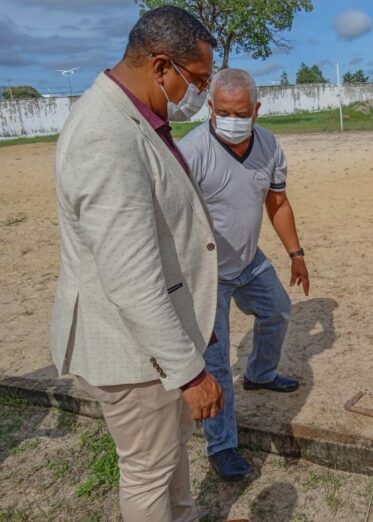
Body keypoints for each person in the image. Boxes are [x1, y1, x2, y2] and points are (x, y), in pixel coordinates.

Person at [51, 6, 223, 520]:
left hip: (152, 347)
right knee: (149, 471)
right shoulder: (106, 136)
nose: (202, 93)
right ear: (162, 67)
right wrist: (191, 375)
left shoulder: (135, 117)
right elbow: (131, 280)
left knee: (169, 459)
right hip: (133, 352)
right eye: (198, 79)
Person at [178, 68, 309, 482]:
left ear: (257, 109)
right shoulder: (191, 152)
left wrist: (296, 253)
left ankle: (260, 373)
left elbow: (278, 202)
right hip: (207, 271)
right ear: (211, 109)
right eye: (223, 111)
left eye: (241, 112)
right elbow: (175, 224)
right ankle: (222, 446)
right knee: (215, 364)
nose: (232, 120)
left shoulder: (268, 144)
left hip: (249, 259)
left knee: (278, 311)